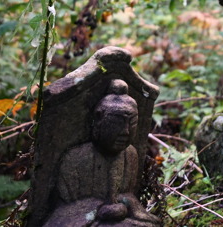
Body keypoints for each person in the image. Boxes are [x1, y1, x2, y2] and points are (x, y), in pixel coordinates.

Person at [43, 79, 160, 227]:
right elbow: (64, 210)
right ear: (98, 120)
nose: (125, 132)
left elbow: (128, 195)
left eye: (132, 123)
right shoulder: (75, 158)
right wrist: (99, 208)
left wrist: (125, 203)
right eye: (117, 123)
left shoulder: (130, 154)